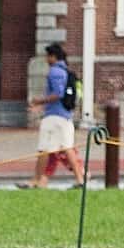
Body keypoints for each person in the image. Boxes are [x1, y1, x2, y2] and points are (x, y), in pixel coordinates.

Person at [31, 42, 84, 188]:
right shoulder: (66, 71)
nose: (46, 60)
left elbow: (58, 94)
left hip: (53, 117)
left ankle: (36, 180)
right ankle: (80, 179)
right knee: (67, 148)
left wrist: (39, 101)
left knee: (43, 149)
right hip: (65, 116)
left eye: (48, 56)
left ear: (53, 57)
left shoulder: (54, 71)